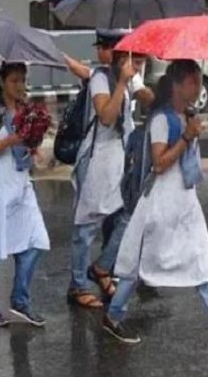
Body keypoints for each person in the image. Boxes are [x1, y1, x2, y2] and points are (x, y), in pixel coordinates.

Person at [103, 60, 208, 362]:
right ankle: (113, 316)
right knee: (137, 266)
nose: (198, 87)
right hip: (160, 206)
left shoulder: (187, 115)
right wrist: (186, 137)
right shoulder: (162, 120)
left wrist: (190, 132)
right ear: (180, 84)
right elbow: (158, 163)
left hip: (185, 206)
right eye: (194, 82)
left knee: (204, 269)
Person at [68, 41, 154, 309]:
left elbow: (145, 97)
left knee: (129, 213)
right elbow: (106, 116)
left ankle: (103, 268)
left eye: (141, 62)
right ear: (120, 59)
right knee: (88, 225)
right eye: (135, 61)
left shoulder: (131, 78)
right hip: (97, 159)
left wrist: (162, 98)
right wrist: (121, 84)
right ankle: (78, 285)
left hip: (120, 158)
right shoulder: (100, 79)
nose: (138, 67)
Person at [0, 62, 50, 327]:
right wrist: (9, 140)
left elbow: (26, 142)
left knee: (37, 240)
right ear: (3, 82)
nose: (20, 86)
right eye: (14, 80)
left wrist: (32, 147)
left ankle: (20, 298)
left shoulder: (26, 111)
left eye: (23, 80)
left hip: (22, 182)